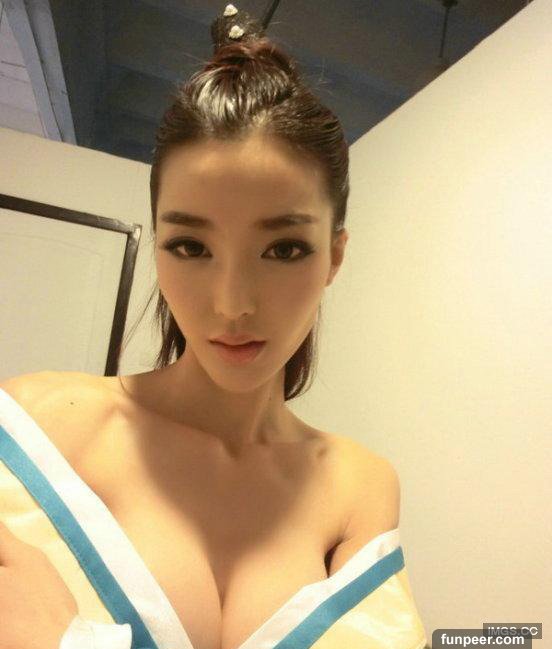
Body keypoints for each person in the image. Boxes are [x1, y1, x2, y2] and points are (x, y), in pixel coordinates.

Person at [0, 4, 428, 648]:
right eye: (191, 247)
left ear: (334, 256)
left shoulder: (359, 486)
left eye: (283, 249)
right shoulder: (37, 427)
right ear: (156, 246)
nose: (232, 305)